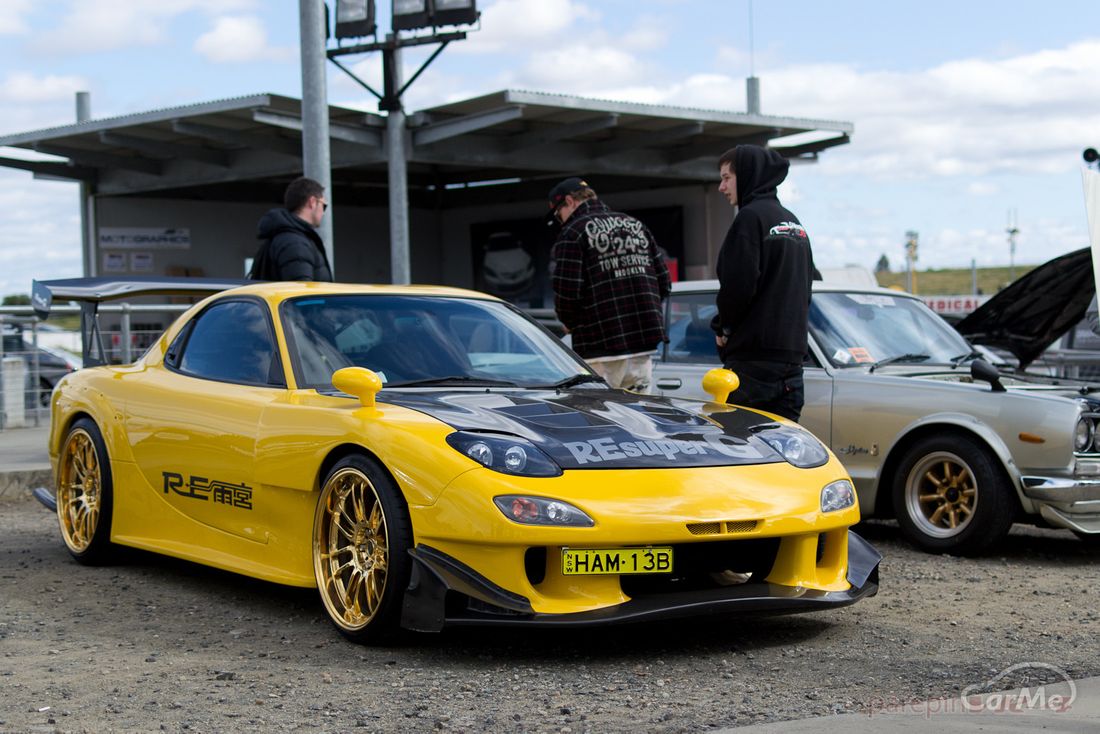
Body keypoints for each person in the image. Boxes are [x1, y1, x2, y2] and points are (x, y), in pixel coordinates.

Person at [710, 145, 815, 421]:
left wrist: (724, 327)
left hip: (753, 361)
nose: (721, 187)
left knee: (739, 447)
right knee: (781, 450)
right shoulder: (794, 223)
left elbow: (738, 286)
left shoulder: (749, 219)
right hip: (792, 363)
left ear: (747, 175)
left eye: (726, 178)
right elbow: (807, 288)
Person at [547, 177, 671, 391]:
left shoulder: (573, 232)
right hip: (642, 347)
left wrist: (569, 322)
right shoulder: (635, 225)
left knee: (601, 418)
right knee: (640, 417)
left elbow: (567, 292)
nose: (561, 221)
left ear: (569, 201)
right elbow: (664, 283)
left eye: (559, 214)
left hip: (600, 348)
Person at [249, 176, 333, 281]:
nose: (323, 212)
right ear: (312, 202)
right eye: (323, 206)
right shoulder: (295, 243)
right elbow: (302, 292)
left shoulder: (291, 239)